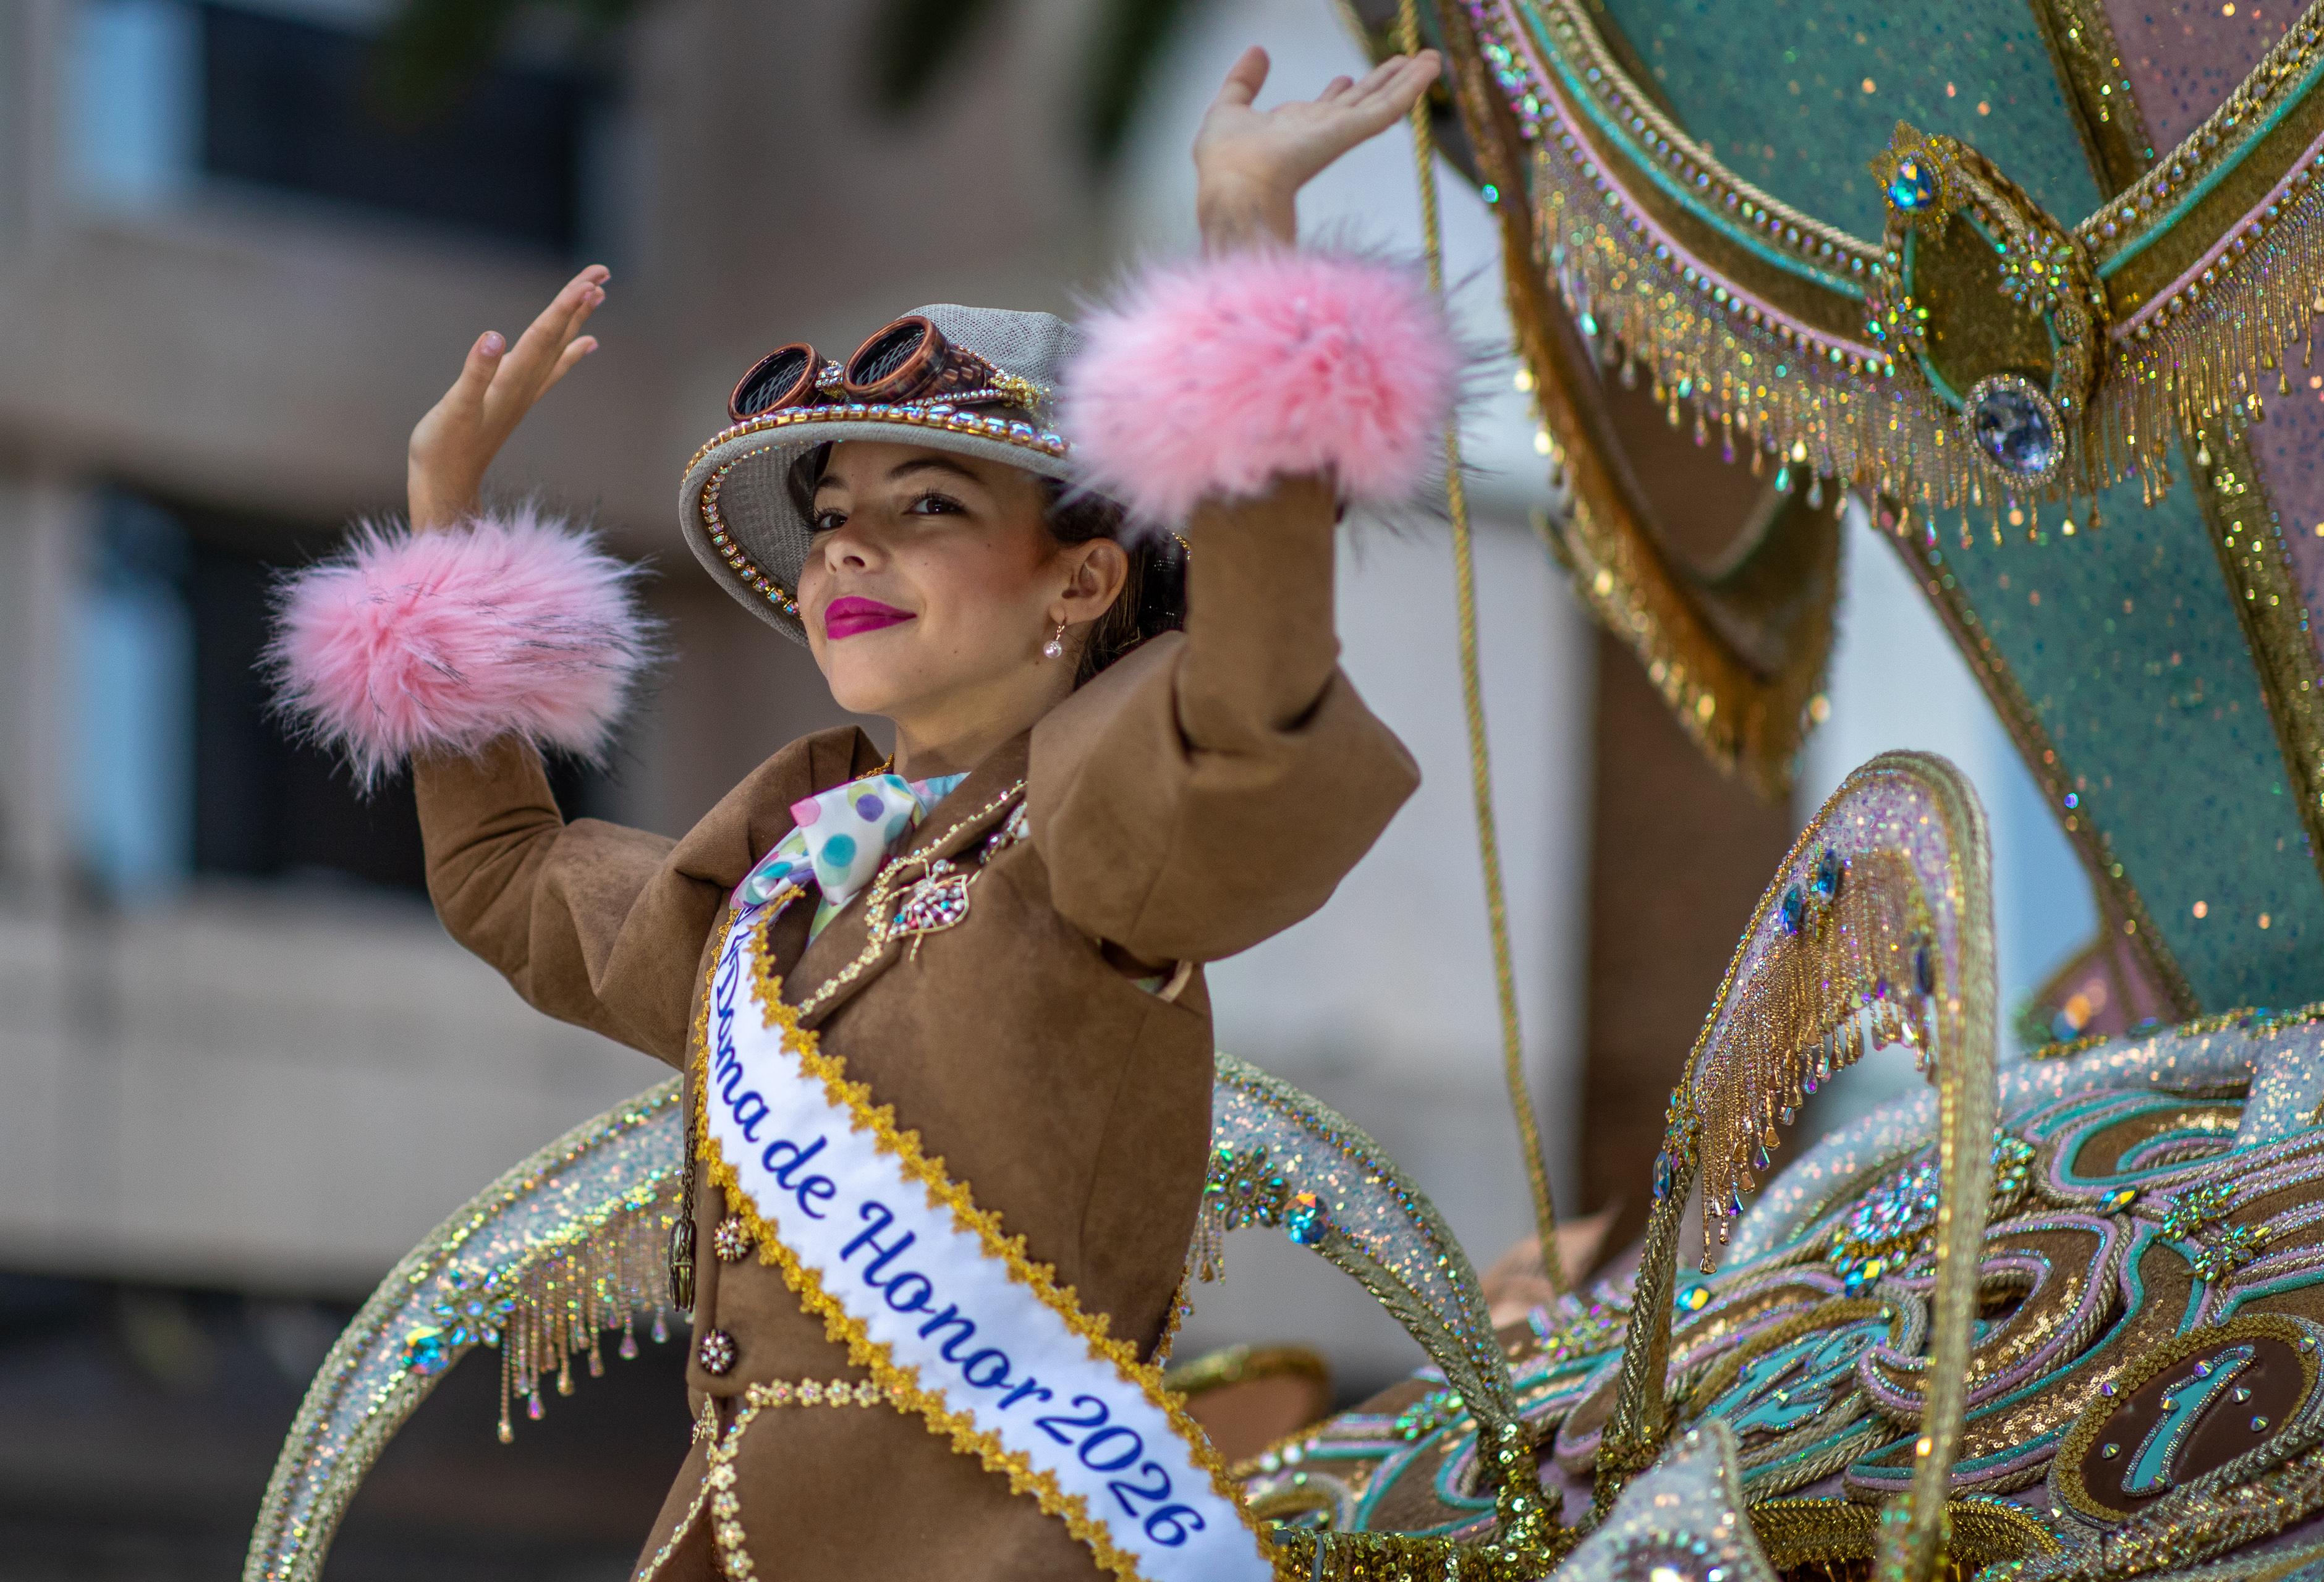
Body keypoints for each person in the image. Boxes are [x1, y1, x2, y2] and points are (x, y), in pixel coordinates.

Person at [274, 42, 1453, 1581]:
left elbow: (1250, 714)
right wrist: (443, 521)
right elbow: (508, 873)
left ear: (1085, 579)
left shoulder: (1102, 822)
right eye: (832, 520)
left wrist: (1247, 245)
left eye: (929, 507)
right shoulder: (784, 875)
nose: (848, 551)